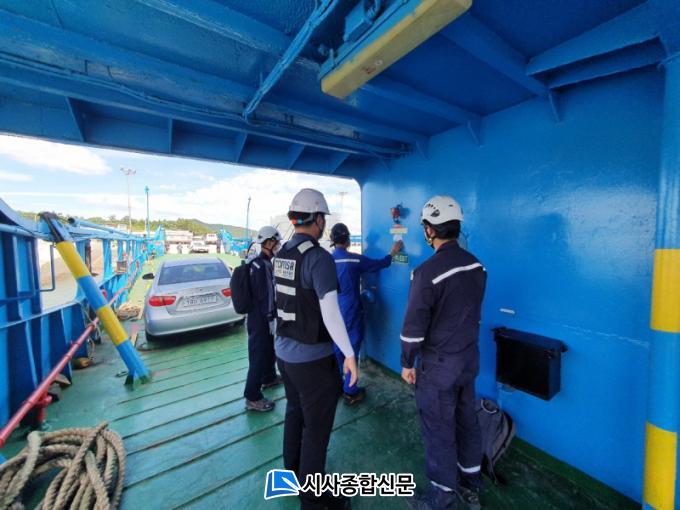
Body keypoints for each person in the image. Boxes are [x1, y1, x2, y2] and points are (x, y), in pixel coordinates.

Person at [400, 196, 486, 510]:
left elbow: (413, 327)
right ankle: (471, 485)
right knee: (467, 421)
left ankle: (442, 495)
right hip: (468, 361)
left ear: (429, 230)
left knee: (438, 429)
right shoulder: (477, 266)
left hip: (438, 368)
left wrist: (407, 362)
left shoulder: (427, 273)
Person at [274, 188, 358, 510]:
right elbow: (331, 312)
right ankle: (313, 501)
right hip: (312, 361)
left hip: (284, 355)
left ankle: (292, 475)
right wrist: (349, 353)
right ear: (319, 219)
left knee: (295, 413)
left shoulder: (282, 253)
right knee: (316, 432)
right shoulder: (318, 258)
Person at [330, 223, 402, 404]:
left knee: (337, 345)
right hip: (350, 310)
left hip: (332, 309)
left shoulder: (327, 260)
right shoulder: (354, 260)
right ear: (347, 240)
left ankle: (338, 383)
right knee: (352, 346)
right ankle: (350, 390)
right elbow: (379, 264)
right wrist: (392, 252)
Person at [244, 226, 284, 411]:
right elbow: (266, 296)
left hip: (261, 316)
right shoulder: (261, 266)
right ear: (268, 243)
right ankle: (252, 397)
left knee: (268, 349)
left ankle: (269, 378)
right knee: (258, 357)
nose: (278, 246)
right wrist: (270, 317)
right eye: (276, 242)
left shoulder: (263, 263)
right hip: (259, 318)